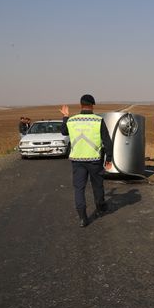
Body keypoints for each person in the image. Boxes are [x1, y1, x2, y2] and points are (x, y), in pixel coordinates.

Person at [60, 95, 113, 227]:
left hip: (77, 160)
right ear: (92, 105)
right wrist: (109, 159)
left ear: (80, 105)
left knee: (79, 189)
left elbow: (63, 131)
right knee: (97, 186)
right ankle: (100, 208)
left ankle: (83, 218)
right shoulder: (98, 120)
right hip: (95, 160)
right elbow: (107, 141)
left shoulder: (72, 120)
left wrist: (66, 116)